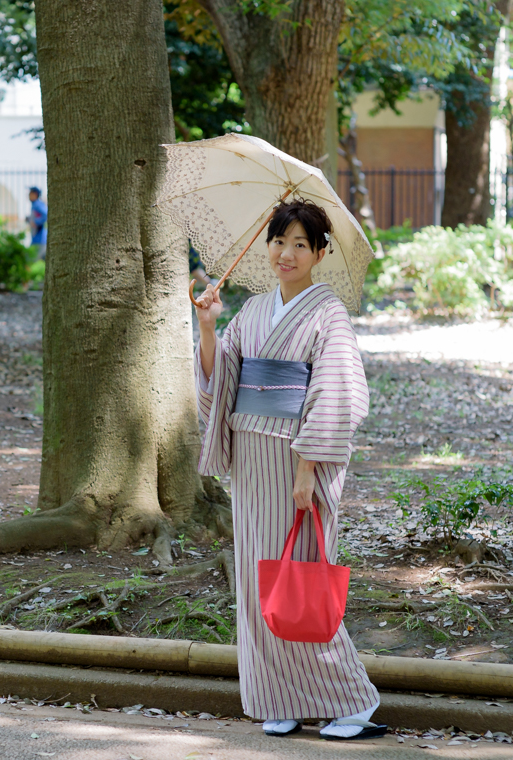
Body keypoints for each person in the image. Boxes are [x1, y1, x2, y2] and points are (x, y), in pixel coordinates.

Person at [194, 198, 384, 742]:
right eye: (280, 241)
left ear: (320, 253)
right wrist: (208, 326)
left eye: (301, 244)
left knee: (302, 580)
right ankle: (280, 697)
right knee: (261, 584)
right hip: (251, 461)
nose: (287, 252)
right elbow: (221, 377)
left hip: (297, 460)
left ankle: (351, 702)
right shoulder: (253, 310)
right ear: (267, 246)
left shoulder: (330, 314)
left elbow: (335, 394)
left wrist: (308, 469)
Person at [26, 187, 47, 260]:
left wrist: (36, 222)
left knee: (30, 259)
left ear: (35, 194)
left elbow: (46, 215)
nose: (28, 195)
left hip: (39, 239)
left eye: (30, 193)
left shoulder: (37, 204)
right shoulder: (35, 204)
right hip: (36, 238)